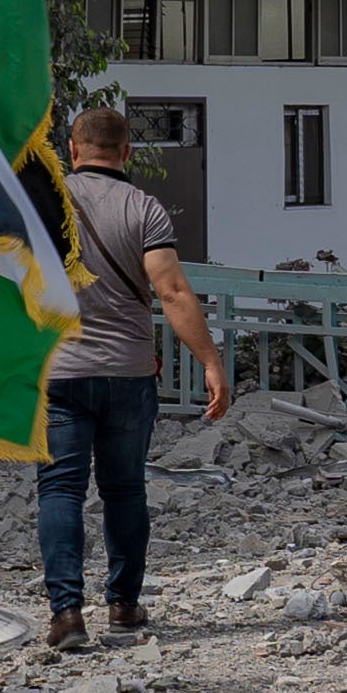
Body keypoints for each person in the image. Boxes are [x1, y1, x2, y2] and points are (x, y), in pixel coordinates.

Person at [37, 99, 229, 650]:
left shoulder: (47, 203)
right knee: (124, 490)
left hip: (61, 370)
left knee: (60, 489)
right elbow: (171, 291)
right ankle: (123, 606)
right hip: (128, 372)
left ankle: (67, 615)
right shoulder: (145, 209)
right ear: (127, 153)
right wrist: (211, 364)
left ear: (71, 150)